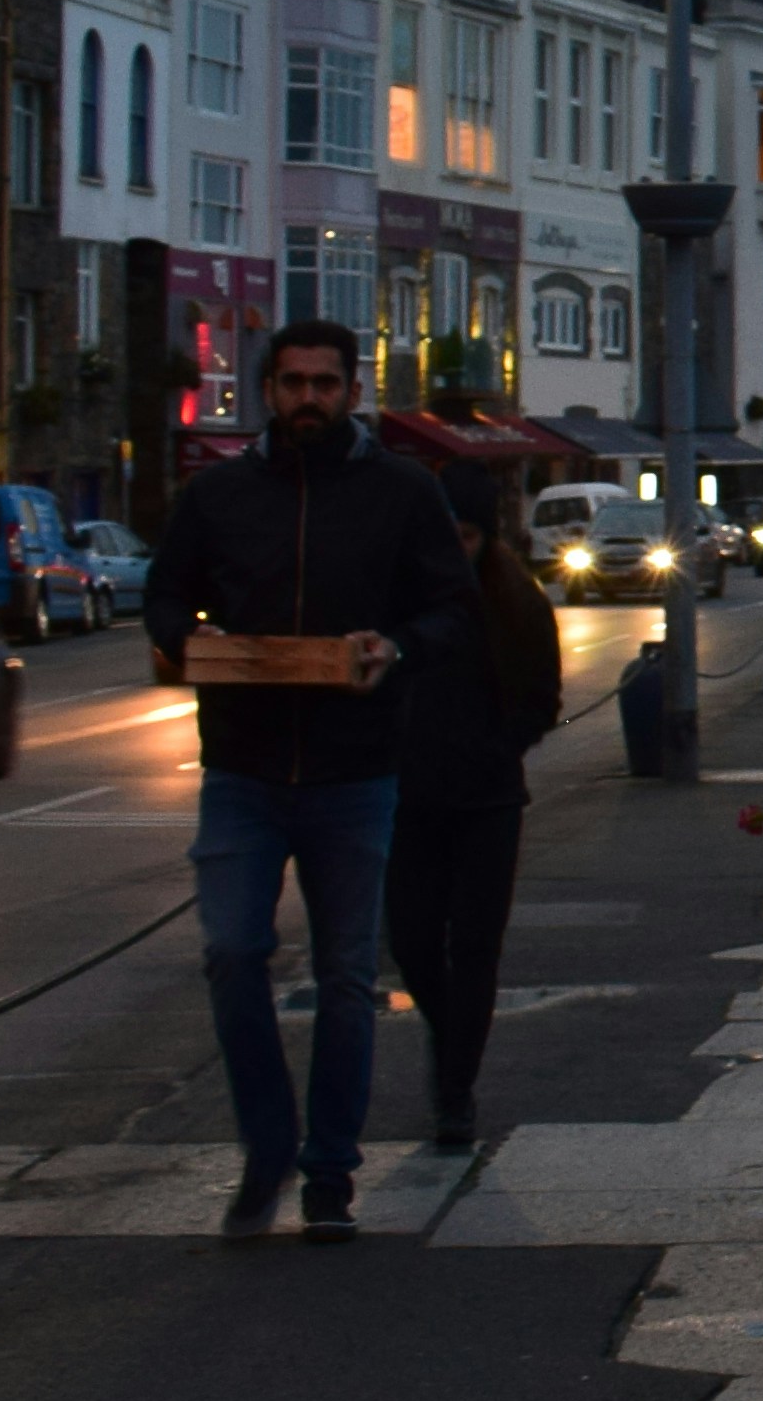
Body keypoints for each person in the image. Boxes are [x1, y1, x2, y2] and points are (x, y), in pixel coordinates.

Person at [143, 319, 475, 1235]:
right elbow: (165, 591)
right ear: (267, 391)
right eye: (293, 384)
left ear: (353, 392)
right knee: (231, 953)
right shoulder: (218, 494)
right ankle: (266, 1148)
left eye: (325, 384)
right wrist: (188, 639)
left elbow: (453, 608)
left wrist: (394, 647)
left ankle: (330, 1171)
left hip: (353, 769)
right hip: (241, 767)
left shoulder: (402, 490)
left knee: (346, 975)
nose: (308, 400)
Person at [388, 465, 562, 1151]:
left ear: (487, 537)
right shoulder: (399, 598)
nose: (455, 550)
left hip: (487, 798)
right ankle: (452, 1035)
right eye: (446, 535)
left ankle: (455, 1090)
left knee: (475, 946)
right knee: (412, 942)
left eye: (466, 536)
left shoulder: (517, 602)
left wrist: (500, 747)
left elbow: (541, 696)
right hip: (408, 798)